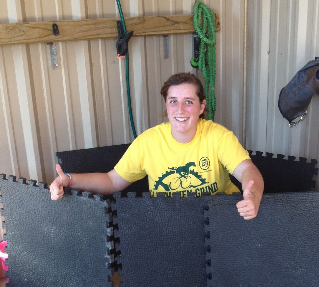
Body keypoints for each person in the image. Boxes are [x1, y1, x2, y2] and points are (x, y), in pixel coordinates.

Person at [50, 72, 263, 220]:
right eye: (173, 101)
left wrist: (253, 196)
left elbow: (247, 170)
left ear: (201, 107)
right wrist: (69, 180)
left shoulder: (218, 136)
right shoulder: (148, 142)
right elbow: (111, 181)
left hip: (220, 217)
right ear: (166, 105)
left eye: (188, 101)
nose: (180, 109)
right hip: (171, 222)